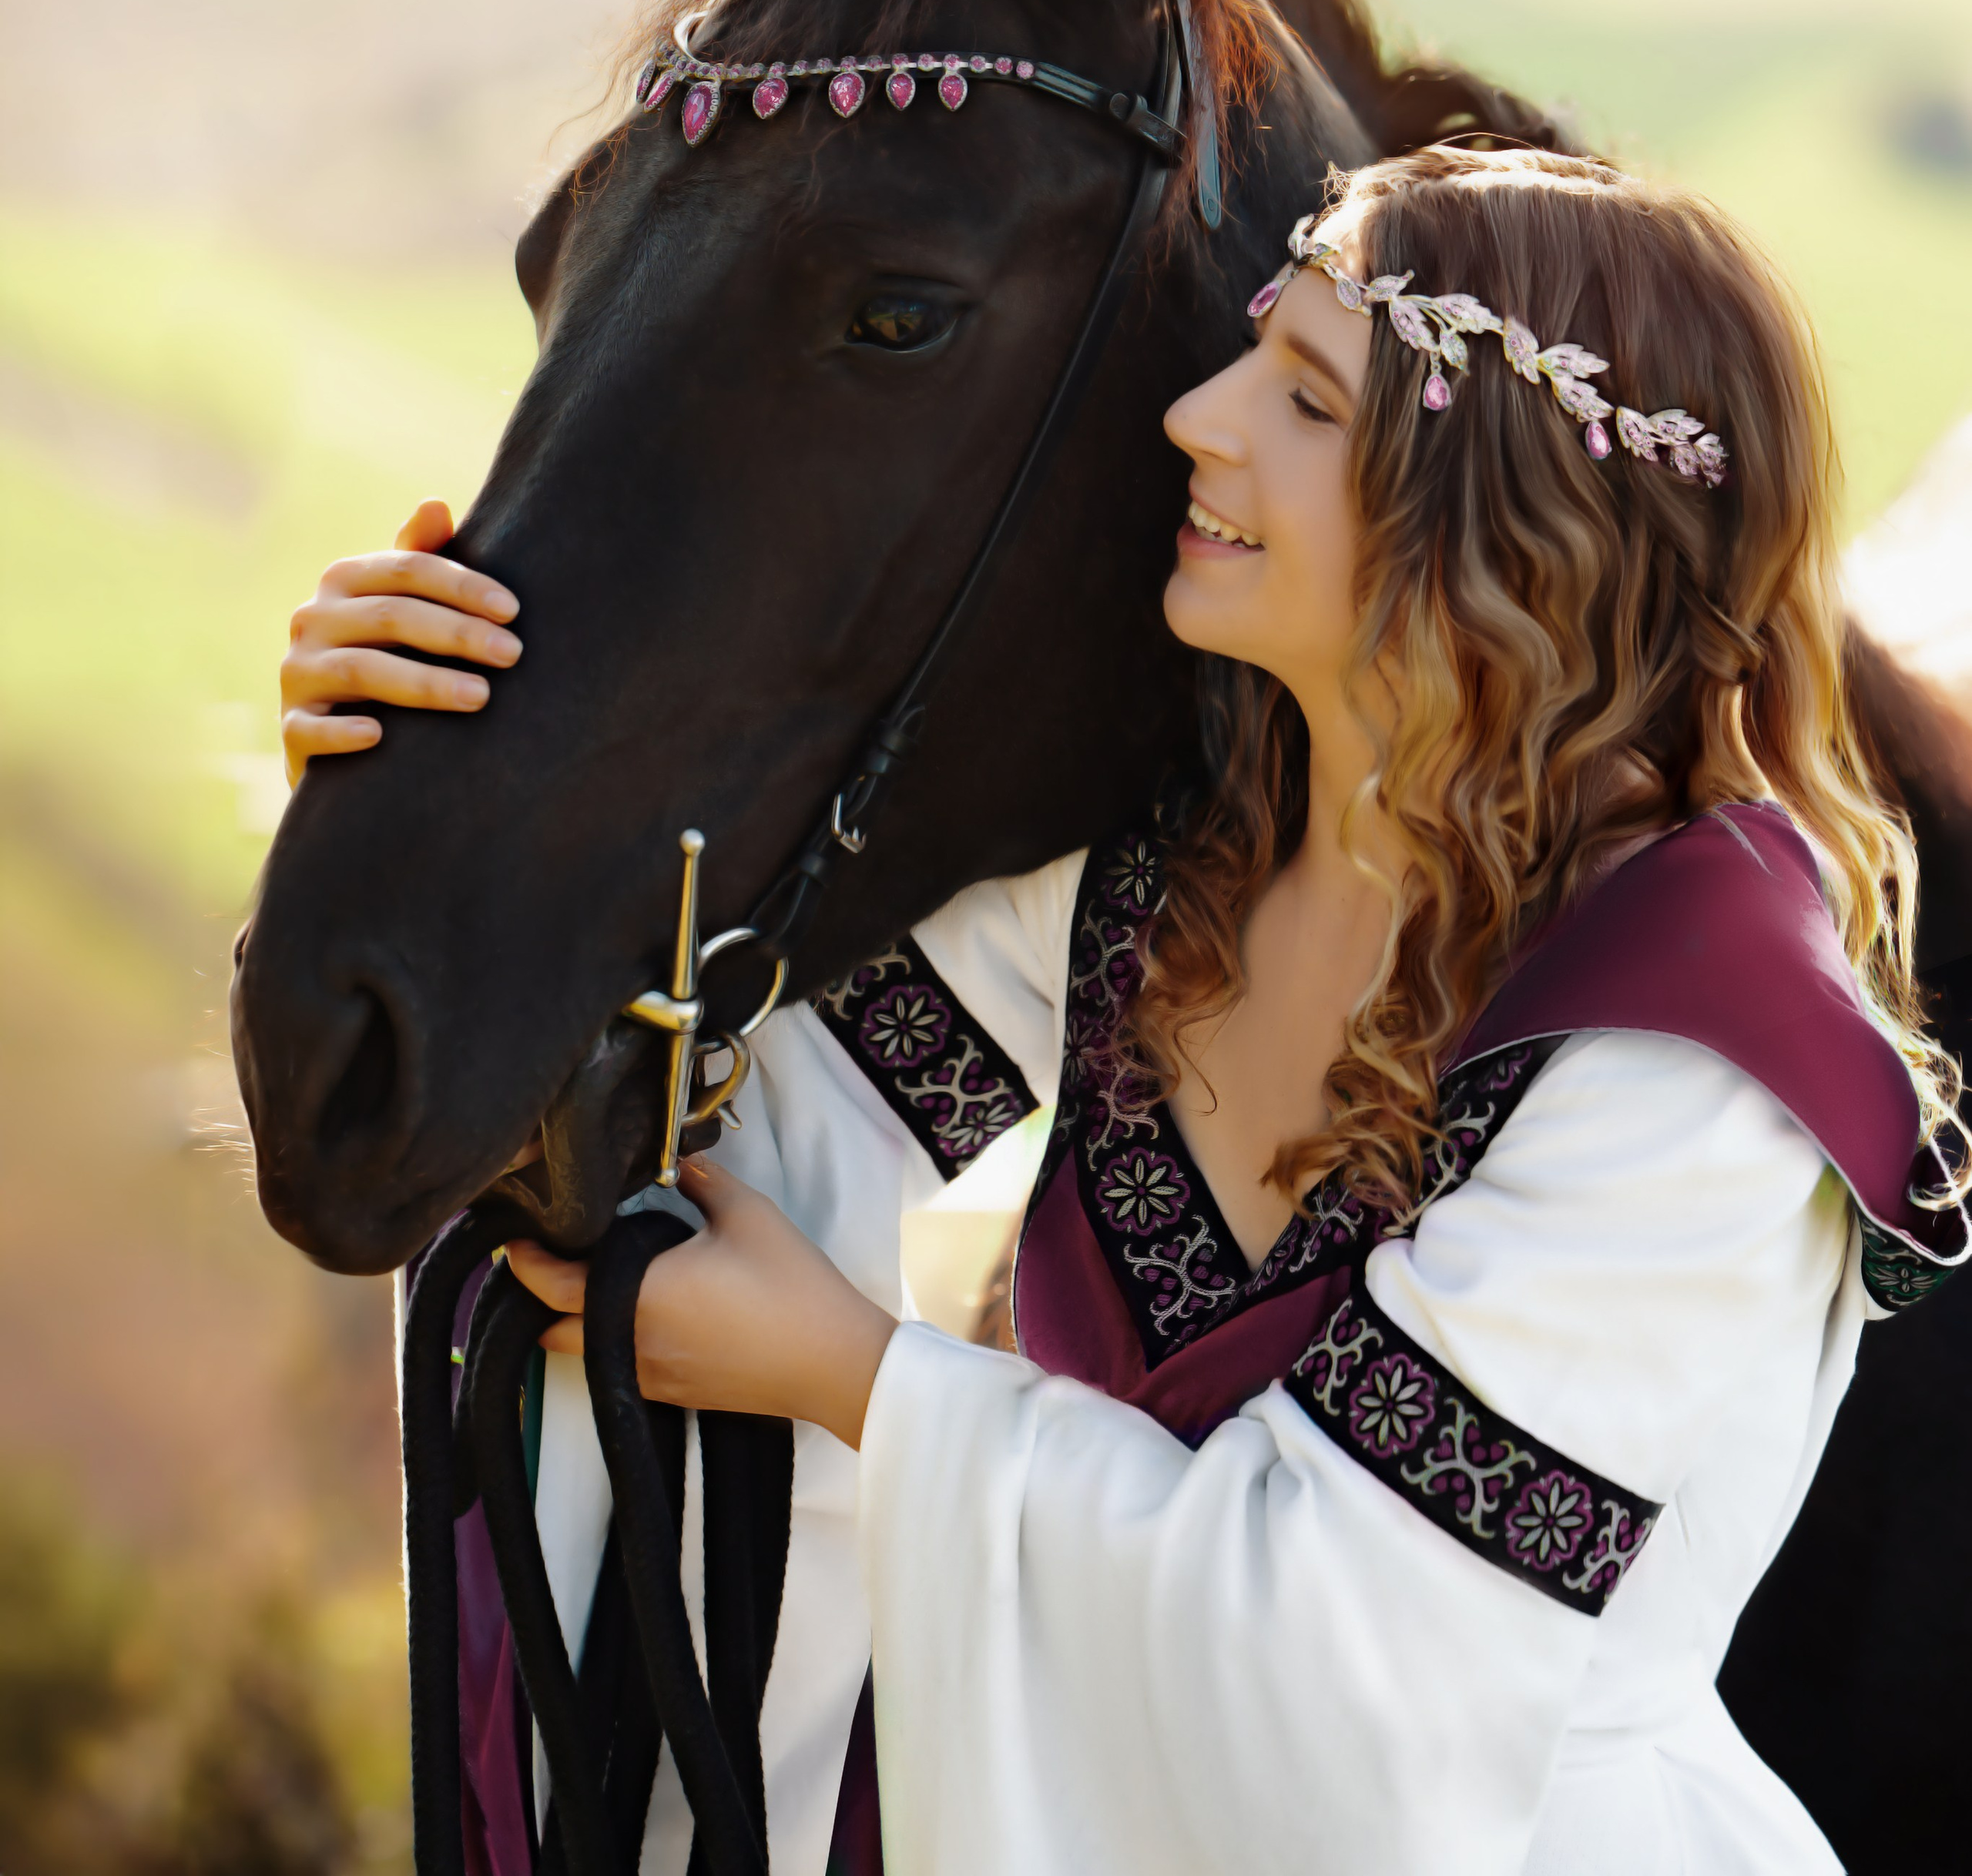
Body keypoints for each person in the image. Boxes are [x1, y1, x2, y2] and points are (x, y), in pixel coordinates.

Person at [282, 145, 1968, 1876]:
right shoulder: (1168, 882)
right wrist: (429, 780)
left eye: (1305, 396)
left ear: (1506, 513)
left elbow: (1350, 1683)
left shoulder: (1693, 1051)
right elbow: (688, 1122)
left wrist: (864, 1383)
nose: (1200, 418)